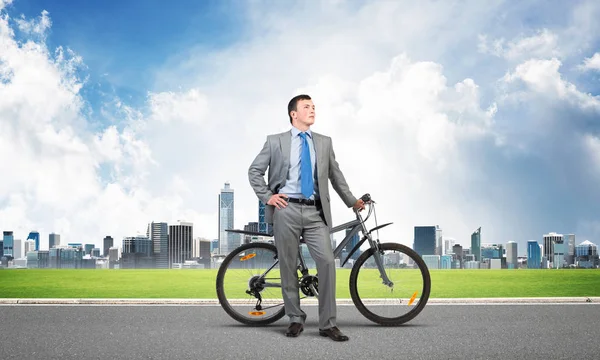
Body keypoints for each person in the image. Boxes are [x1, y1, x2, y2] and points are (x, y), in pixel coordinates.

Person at [248, 94, 365, 342]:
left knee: (326, 263)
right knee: (288, 266)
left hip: (315, 212)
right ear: (294, 113)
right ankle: (294, 319)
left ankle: (328, 324)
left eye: (314, 107)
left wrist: (352, 201)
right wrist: (268, 197)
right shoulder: (275, 141)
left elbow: (336, 176)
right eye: (306, 107)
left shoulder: (324, 142)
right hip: (286, 210)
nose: (312, 110)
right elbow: (254, 171)